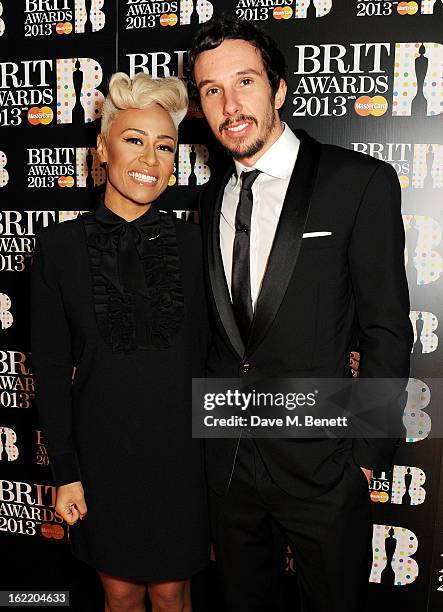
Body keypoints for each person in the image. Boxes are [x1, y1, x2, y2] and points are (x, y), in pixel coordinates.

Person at [188, 17, 413, 612]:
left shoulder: (358, 182)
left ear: (280, 88)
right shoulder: (208, 199)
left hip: (325, 469)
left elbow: (386, 329)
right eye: (212, 90)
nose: (230, 105)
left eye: (245, 82)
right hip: (230, 468)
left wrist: (364, 463)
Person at [31, 72, 210, 612]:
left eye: (165, 147)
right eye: (134, 140)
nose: (150, 160)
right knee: (121, 595)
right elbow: (51, 369)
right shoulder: (58, 248)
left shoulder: (197, 243)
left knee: (175, 595)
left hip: (184, 457)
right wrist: (66, 473)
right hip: (104, 456)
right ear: (103, 148)